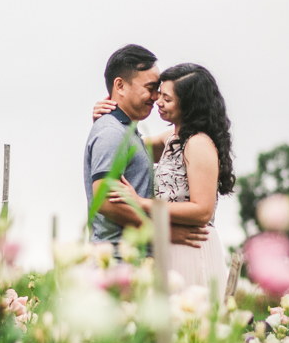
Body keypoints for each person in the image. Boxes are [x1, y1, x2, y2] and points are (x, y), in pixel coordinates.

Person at [99, 62, 234, 298]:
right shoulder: (172, 138)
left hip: (192, 249)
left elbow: (202, 210)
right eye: (159, 94)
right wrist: (108, 117)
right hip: (169, 246)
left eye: (167, 98)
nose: (157, 102)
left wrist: (140, 203)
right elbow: (130, 149)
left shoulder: (198, 143)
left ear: (189, 105)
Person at [84, 44, 209, 252]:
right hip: (116, 261)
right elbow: (105, 201)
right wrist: (164, 232)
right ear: (120, 86)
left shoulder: (128, 134)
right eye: (150, 89)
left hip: (133, 260)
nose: (155, 98)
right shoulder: (111, 132)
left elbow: (186, 132)